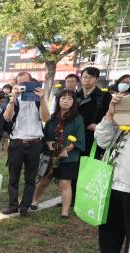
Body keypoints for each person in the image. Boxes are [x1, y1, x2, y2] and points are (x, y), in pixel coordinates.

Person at [83, 95, 130, 253]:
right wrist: (110, 115)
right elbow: (103, 141)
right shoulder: (121, 123)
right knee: (109, 228)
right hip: (112, 181)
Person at [2, 71, 51, 216]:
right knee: (13, 177)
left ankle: (25, 206)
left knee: (30, 178)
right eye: (19, 83)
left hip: (34, 143)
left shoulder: (38, 99)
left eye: (26, 83)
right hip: (17, 142)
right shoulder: (15, 99)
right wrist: (12, 99)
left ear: (32, 83)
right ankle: (13, 205)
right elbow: (6, 117)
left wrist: (42, 99)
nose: (23, 86)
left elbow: (46, 118)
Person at [31, 89, 85, 218]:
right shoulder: (52, 117)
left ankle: (65, 212)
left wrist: (67, 149)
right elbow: (44, 135)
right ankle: (34, 201)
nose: (66, 101)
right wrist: (48, 143)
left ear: (74, 102)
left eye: (70, 99)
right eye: (63, 98)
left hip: (68, 157)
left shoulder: (77, 119)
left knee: (65, 183)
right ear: (58, 100)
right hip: (50, 155)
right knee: (44, 180)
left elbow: (80, 138)